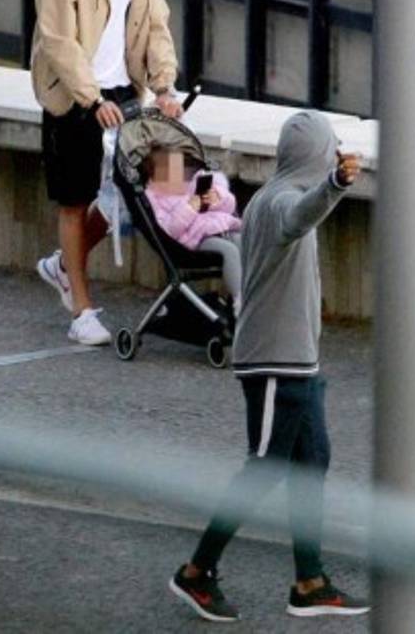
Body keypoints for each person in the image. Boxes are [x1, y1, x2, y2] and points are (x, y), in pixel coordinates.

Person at [169, 111, 369, 622]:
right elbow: (301, 216)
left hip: (299, 360)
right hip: (273, 361)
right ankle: (195, 573)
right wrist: (335, 184)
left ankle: (309, 581)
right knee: (264, 469)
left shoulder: (273, 194)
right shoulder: (281, 201)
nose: (335, 152)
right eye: (330, 148)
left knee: (312, 461)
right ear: (314, 155)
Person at [30, 0, 184, 346]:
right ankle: (81, 309)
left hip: (124, 93)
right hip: (75, 96)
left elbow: (156, 24)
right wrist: (91, 98)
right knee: (75, 200)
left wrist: (164, 87)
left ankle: (61, 266)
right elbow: (58, 42)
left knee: (157, 185)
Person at [143, 147, 243, 311]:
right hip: (192, 241)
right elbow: (169, 230)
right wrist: (190, 207)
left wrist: (217, 198)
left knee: (243, 241)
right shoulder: (154, 200)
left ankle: (253, 292)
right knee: (229, 250)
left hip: (215, 227)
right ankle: (241, 301)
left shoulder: (188, 186)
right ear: (154, 178)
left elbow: (228, 207)